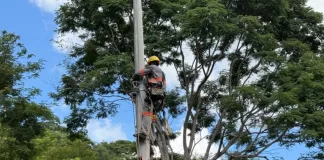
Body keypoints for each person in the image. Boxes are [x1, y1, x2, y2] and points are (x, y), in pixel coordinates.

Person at [133, 55, 166, 140]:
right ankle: (152, 137)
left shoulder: (151, 67)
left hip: (152, 93)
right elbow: (164, 86)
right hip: (160, 96)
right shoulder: (162, 73)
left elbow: (138, 73)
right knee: (153, 115)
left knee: (147, 113)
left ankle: (144, 133)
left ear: (150, 63)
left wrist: (134, 78)